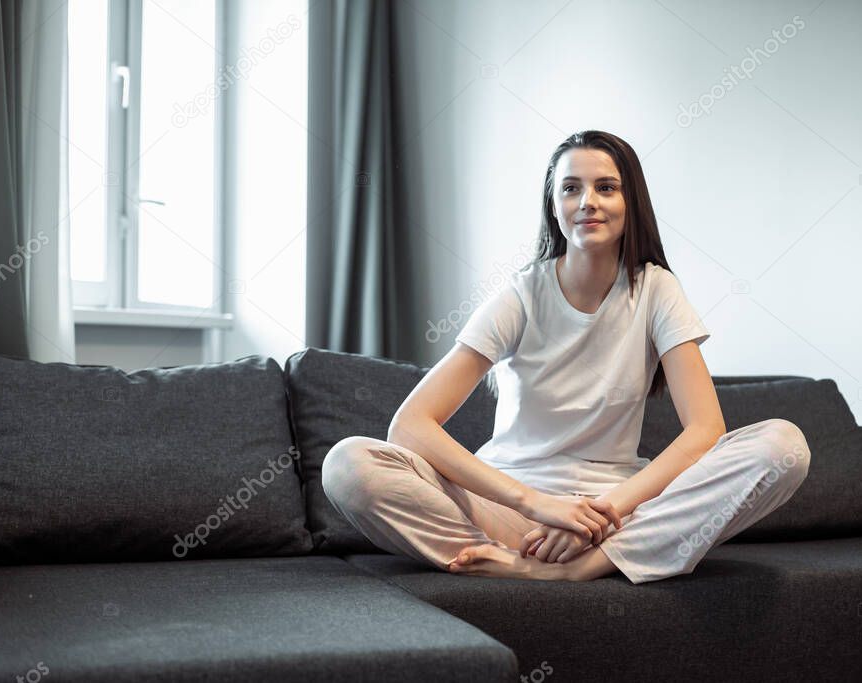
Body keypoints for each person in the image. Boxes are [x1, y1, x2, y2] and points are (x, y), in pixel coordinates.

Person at [321, 130, 810, 584]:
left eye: (606, 188)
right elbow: (410, 426)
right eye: (571, 188)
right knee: (348, 464)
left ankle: (567, 570)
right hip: (510, 509)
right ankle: (510, 551)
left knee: (783, 445)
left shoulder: (657, 289)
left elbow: (705, 431)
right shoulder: (521, 295)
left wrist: (599, 513)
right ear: (553, 205)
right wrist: (537, 505)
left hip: (619, 514)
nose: (588, 203)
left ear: (630, 202)